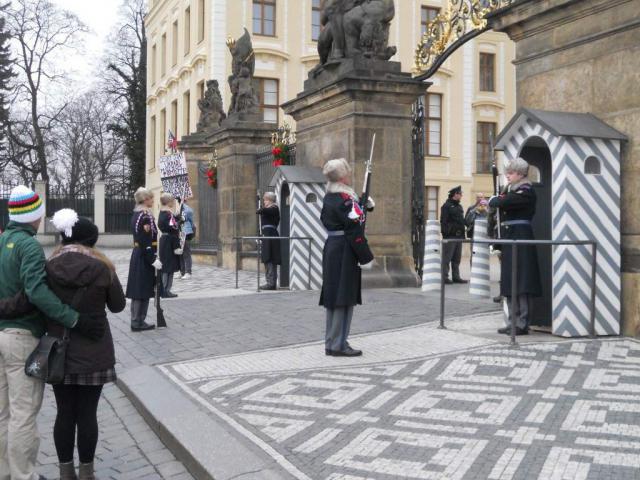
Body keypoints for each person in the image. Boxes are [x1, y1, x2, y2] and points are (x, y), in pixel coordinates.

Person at [0, 185, 100, 480]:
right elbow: (36, 291)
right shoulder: (29, 246)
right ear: (35, 215)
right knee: (23, 414)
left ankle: (4, 472)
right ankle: (24, 475)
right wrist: (72, 318)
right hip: (21, 337)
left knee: (3, 412)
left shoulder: (3, 239)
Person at [46, 210, 126, 480]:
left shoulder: (49, 266)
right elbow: (118, 306)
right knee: (87, 414)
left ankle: (65, 472)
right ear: (91, 240)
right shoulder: (102, 267)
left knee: (64, 412)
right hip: (95, 350)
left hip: (59, 351)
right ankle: (87, 472)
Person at [320, 158, 374, 357]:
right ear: (342, 176)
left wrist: (362, 204)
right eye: (348, 172)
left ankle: (332, 340)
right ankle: (339, 344)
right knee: (344, 297)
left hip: (332, 248)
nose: (350, 175)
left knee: (334, 297)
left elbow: (349, 217)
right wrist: (365, 256)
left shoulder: (331, 197)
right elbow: (354, 230)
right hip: (345, 250)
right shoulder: (345, 200)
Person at [489, 157, 542, 335]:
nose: (508, 176)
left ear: (520, 174)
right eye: (508, 173)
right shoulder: (511, 190)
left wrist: (497, 200)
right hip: (510, 236)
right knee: (509, 280)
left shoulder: (526, 191)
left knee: (522, 281)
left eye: (510, 173)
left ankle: (522, 322)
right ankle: (512, 321)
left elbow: (507, 202)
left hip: (521, 236)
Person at [126, 187, 162, 332]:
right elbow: (144, 240)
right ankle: (137, 321)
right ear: (145, 200)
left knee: (141, 288)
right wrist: (152, 258)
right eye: (151, 198)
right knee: (141, 289)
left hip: (139, 254)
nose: (153, 201)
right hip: (144, 255)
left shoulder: (138, 214)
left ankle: (138, 320)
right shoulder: (145, 216)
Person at [440, 186, 468, 284]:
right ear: (455, 194)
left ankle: (456, 276)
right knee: (447, 257)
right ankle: (444, 277)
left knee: (456, 258)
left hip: (459, 236)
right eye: (460, 194)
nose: (461, 195)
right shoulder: (447, 206)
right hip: (450, 236)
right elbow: (443, 221)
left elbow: (462, 220)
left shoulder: (459, 206)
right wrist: (446, 233)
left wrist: (468, 223)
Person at [158, 193, 183, 298]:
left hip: (165, 241)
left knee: (168, 266)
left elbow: (171, 225)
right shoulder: (168, 214)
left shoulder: (163, 213)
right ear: (168, 202)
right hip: (169, 241)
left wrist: (176, 218)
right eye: (172, 200)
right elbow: (174, 227)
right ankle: (165, 290)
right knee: (168, 267)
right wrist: (180, 220)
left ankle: (166, 290)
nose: (173, 202)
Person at [256, 192, 281, 290]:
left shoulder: (274, 208)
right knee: (267, 258)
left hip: (271, 235)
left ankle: (271, 283)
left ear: (269, 200)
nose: (264, 202)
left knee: (270, 258)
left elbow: (262, 210)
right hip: (267, 235)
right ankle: (269, 281)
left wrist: (261, 208)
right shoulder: (269, 208)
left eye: (265, 200)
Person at [178, 198, 195, 280]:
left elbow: (190, 218)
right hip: (180, 232)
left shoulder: (186, 209)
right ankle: (182, 271)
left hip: (185, 231)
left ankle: (188, 272)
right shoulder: (178, 207)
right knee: (181, 253)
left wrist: (181, 214)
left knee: (186, 252)